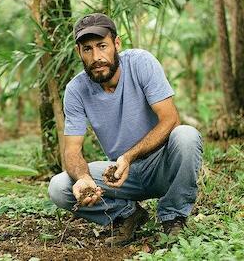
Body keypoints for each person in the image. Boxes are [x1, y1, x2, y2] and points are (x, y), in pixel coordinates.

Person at [48, 13, 203, 245]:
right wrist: (83, 178)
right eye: (87, 49)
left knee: (187, 135)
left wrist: (128, 157)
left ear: (116, 44)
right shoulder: (76, 90)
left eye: (102, 46)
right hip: (119, 177)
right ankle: (128, 215)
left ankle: (173, 216)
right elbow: (71, 151)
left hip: (160, 165)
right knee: (59, 187)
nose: (97, 57)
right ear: (78, 52)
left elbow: (170, 119)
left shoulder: (141, 63)